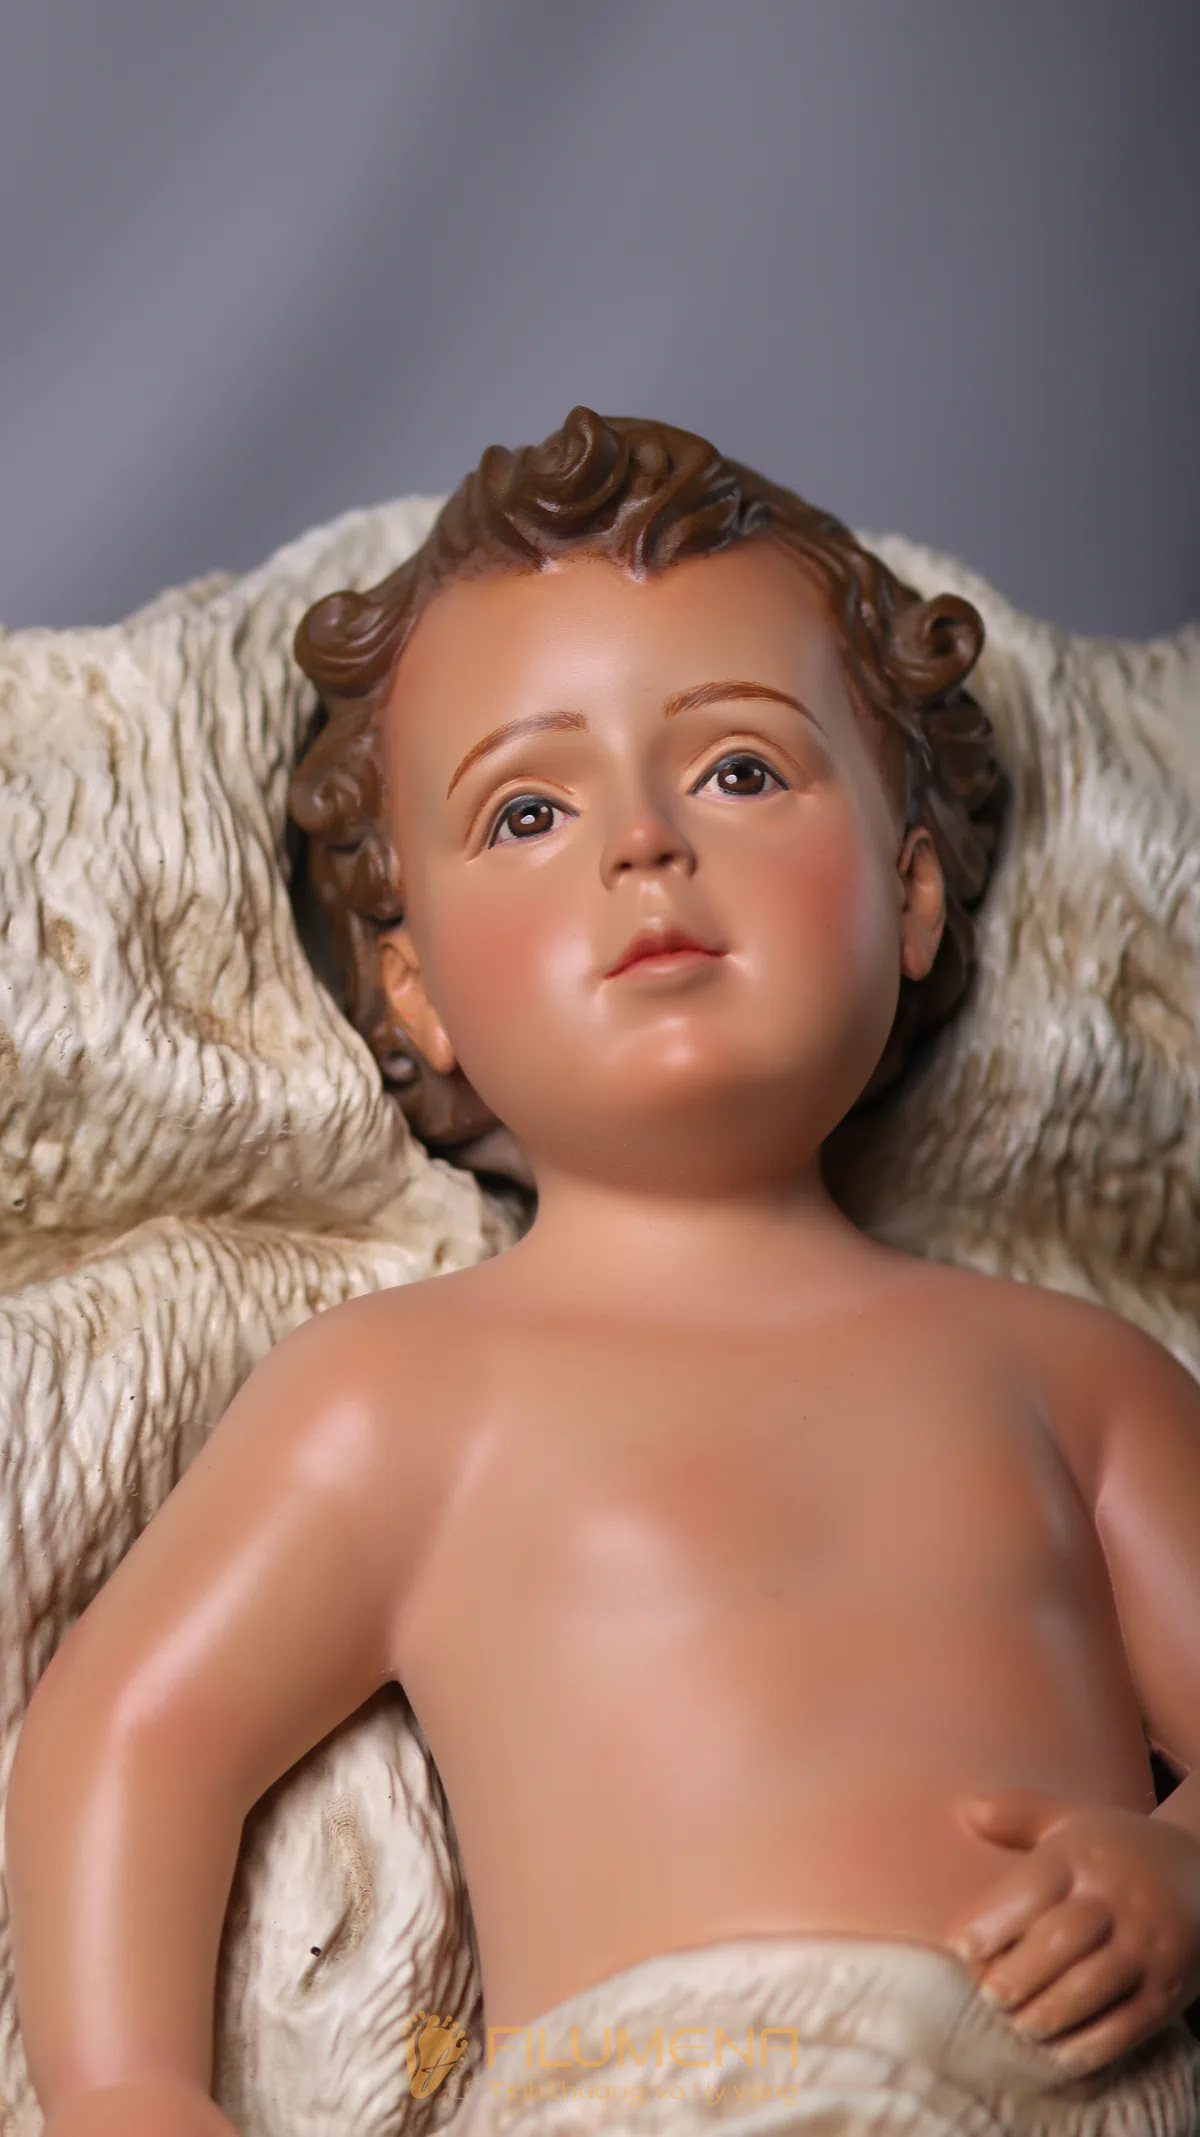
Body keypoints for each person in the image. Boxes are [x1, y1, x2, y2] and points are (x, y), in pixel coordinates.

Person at [7, 410, 1200, 2137]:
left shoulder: (1068, 1376)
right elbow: (134, 1733)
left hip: (1079, 2081)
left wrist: (1178, 1870)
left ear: (914, 894)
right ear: (417, 991)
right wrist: (127, 2092)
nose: (644, 844)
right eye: (528, 810)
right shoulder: (401, 1395)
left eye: (740, 772)